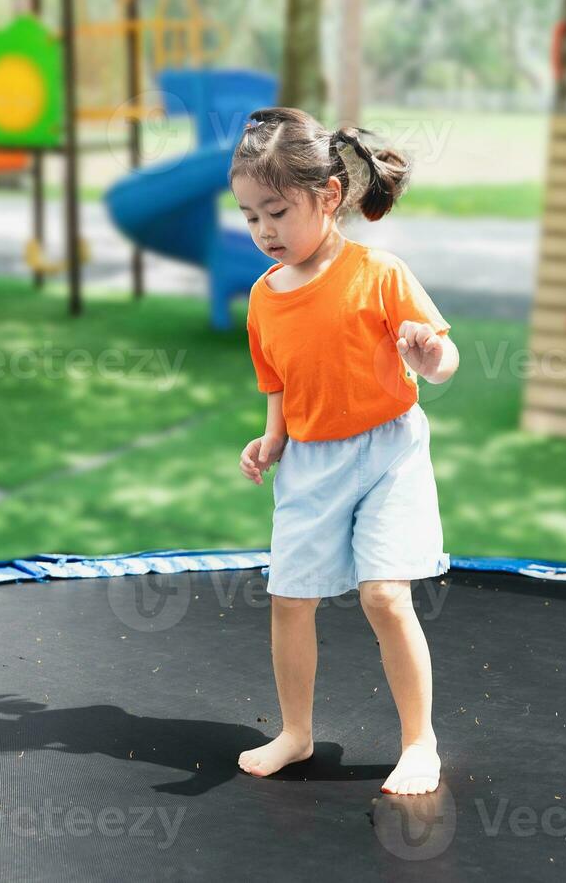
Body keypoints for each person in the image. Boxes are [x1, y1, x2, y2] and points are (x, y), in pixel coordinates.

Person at [232, 107, 459, 796]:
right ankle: (295, 734)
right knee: (288, 600)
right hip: (308, 463)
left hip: (387, 454)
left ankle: (419, 742)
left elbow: (442, 360)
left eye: (276, 212)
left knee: (384, 595)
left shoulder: (377, 271)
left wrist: (428, 353)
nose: (264, 231)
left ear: (328, 197)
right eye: (250, 217)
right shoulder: (264, 297)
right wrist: (272, 437)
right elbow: (276, 379)